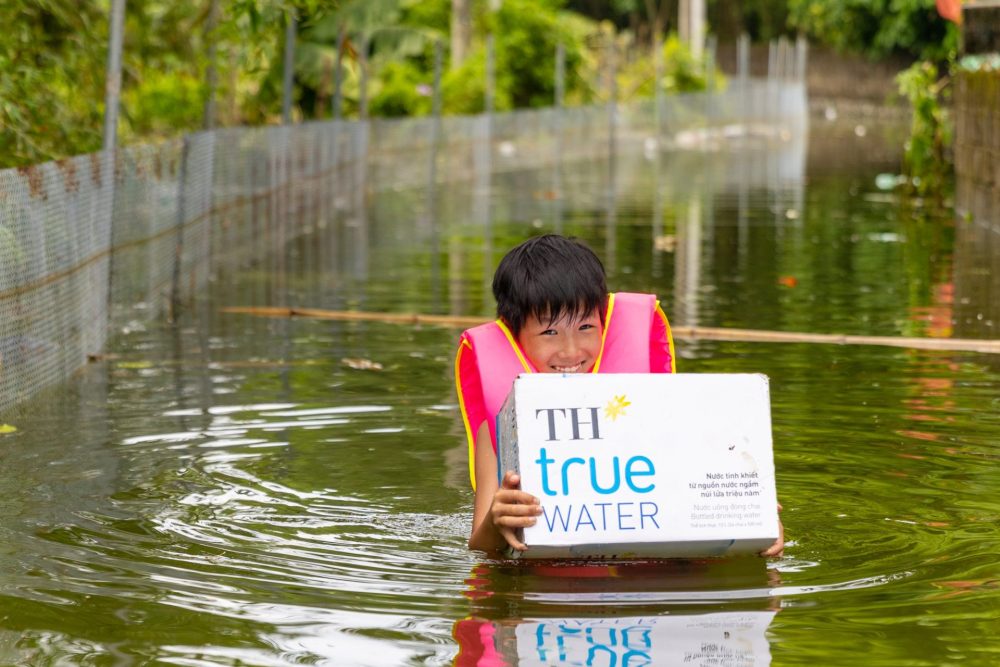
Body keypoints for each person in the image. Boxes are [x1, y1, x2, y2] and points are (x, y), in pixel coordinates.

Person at [455, 234, 783, 557]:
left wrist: (757, 518)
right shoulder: (499, 424)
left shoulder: (658, 404)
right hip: (547, 587)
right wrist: (498, 520)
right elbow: (481, 546)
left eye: (585, 327)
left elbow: (698, 495)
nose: (570, 351)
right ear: (514, 334)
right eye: (550, 332)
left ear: (603, 322)